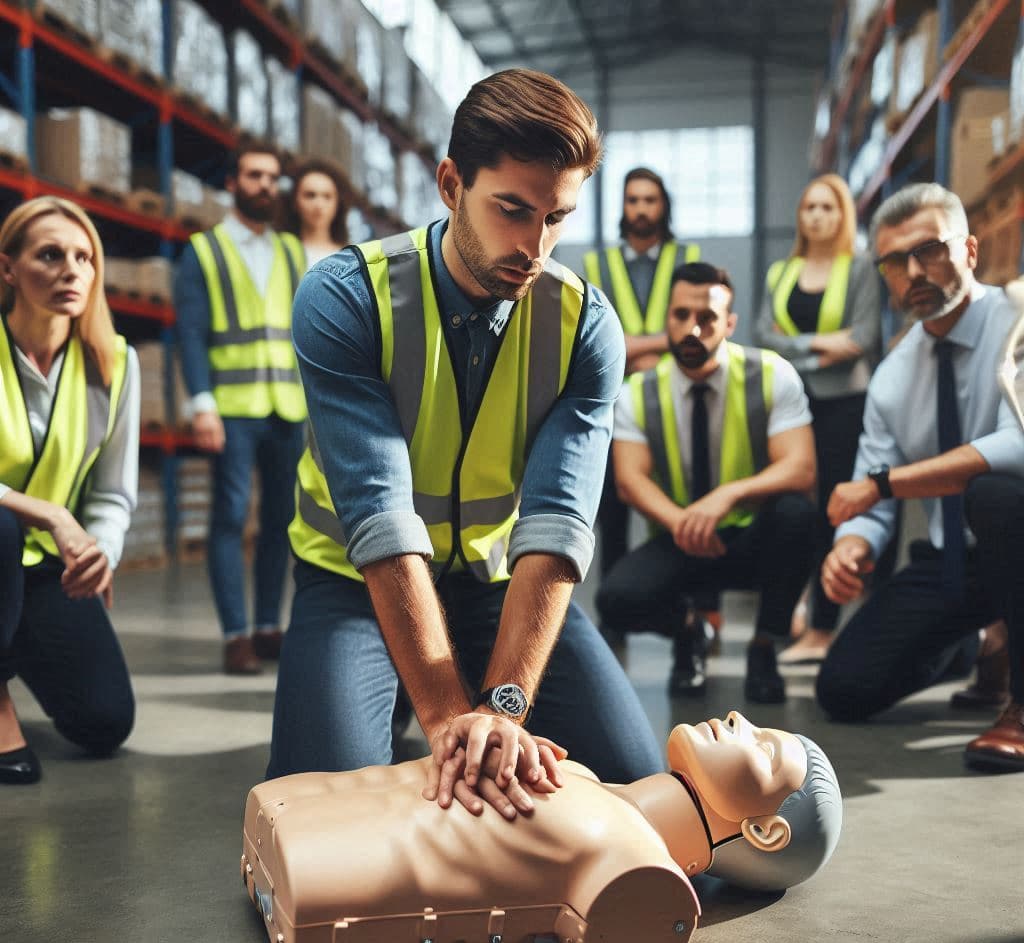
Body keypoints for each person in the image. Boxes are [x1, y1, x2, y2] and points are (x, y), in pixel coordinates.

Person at [267, 69, 664, 805]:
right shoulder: (346, 298)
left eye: (556, 217)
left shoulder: (584, 327)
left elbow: (557, 527)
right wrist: (452, 720)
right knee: (323, 808)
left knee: (640, 788)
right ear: (451, 184)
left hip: (494, 582)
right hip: (351, 583)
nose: (533, 245)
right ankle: (389, 689)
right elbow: (381, 521)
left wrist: (505, 708)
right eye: (511, 209)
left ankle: (418, 685)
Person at [245, 711, 842, 943]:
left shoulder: (641, 873)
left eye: (764, 748)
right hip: (306, 817)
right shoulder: (593, 786)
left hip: (321, 862)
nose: (739, 716)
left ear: (764, 831)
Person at [816, 182, 1024, 771]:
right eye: (895, 261)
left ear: (970, 251)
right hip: (953, 558)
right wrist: (850, 548)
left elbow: (1018, 444)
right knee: (845, 689)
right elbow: (869, 496)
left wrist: (885, 484)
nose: (914, 271)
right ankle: (982, 641)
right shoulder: (891, 377)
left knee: (996, 493)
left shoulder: (1019, 319)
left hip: (1018, 528)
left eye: (930, 249)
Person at [596, 263, 816, 703]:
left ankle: (764, 649)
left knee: (799, 515)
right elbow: (630, 481)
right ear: (667, 320)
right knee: (616, 600)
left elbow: (801, 468)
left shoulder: (773, 373)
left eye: (708, 318)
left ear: (730, 324)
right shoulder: (638, 392)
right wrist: (682, 522)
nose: (692, 329)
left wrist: (726, 496)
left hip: (750, 535)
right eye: (681, 316)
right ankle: (689, 633)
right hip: (680, 535)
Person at [0, 196, 139, 784]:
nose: (71, 270)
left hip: (43, 570)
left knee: (104, 721)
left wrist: (98, 553)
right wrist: (50, 513)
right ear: (8, 268)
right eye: (49, 255)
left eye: (84, 257)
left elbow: (112, 493)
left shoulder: (113, 363)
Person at [175, 145, 307, 675]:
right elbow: (188, 333)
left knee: (281, 521)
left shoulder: (295, 252)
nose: (264, 185)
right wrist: (200, 403)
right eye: (254, 175)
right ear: (232, 182)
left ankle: (268, 627)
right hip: (230, 407)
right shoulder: (202, 252)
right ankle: (235, 635)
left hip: (289, 407)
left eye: (272, 178)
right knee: (229, 518)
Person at [753, 174, 881, 666]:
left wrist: (796, 347)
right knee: (790, 510)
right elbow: (766, 335)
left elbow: (863, 340)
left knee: (834, 508)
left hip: (843, 407)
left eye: (828, 207)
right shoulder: (781, 271)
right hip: (790, 403)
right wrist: (818, 348)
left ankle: (824, 628)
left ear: (843, 214)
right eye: (810, 207)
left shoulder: (861, 267)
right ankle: (794, 610)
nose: (818, 216)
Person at [583, 169, 701, 647]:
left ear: (664, 206)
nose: (641, 209)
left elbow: (695, 335)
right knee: (610, 509)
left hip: (676, 402)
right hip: (614, 403)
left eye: (650, 200)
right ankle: (615, 617)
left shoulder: (687, 259)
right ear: (623, 207)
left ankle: (691, 616)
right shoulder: (597, 264)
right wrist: (658, 344)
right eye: (633, 200)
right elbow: (594, 335)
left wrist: (633, 346)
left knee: (682, 507)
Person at [280, 158, 348, 269]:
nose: (319, 205)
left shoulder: (350, 257)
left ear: (338, 203)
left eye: (327, 196)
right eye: (310, 195)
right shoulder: (280, 249)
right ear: (294, 201)